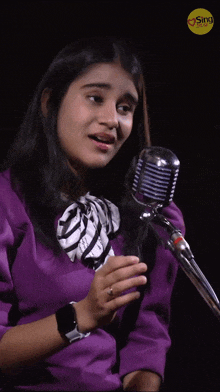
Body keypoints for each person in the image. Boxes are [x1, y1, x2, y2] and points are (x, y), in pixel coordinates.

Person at [0, 37, 185, 391]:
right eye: (95, 98)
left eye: (126, 107)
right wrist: (82, 315)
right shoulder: (8, 202)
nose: (111, 119)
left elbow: (147, 335)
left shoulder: (147, 216)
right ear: (49, 102)